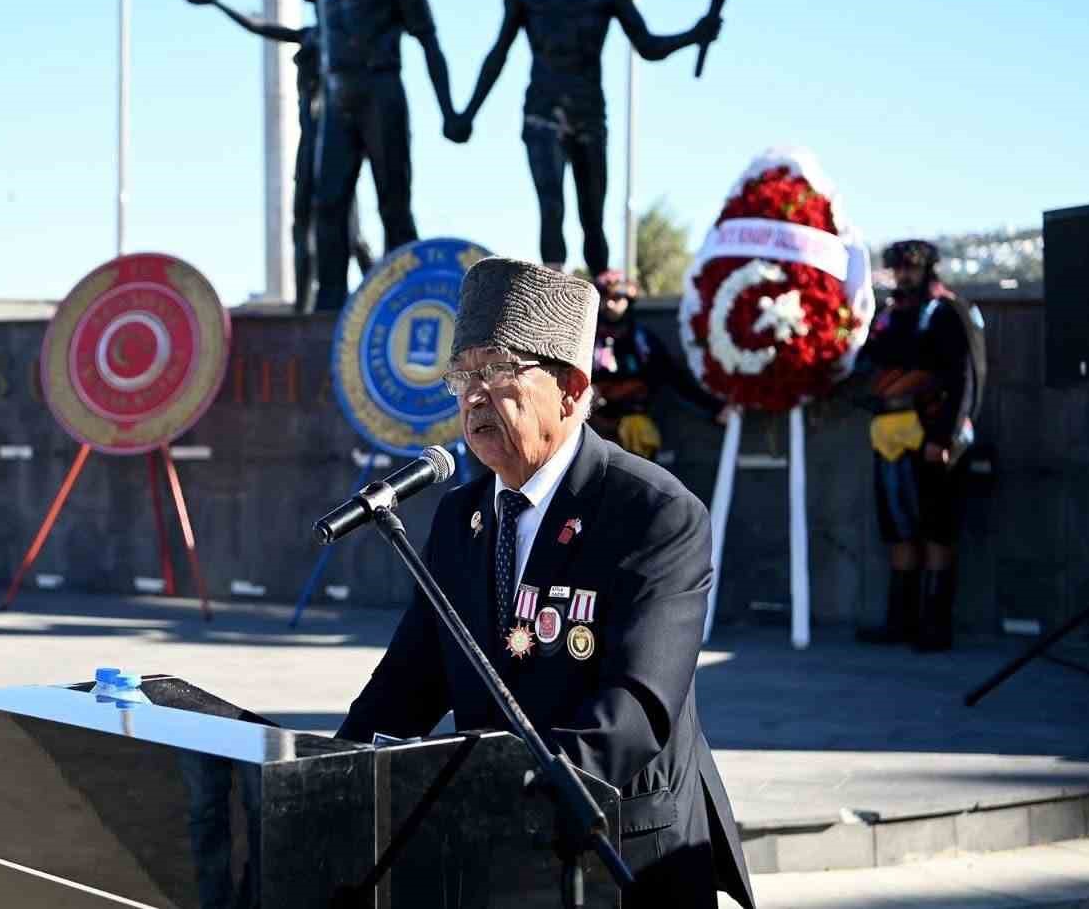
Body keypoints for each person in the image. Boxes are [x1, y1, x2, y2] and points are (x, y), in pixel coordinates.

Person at [336, 258, 754, 909]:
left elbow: (637, 704)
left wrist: (511, 797)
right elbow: (407, 682)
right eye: (462, 375)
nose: (473, 396)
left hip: (624, 851)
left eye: (498, 370)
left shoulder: (652, 512)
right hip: (496, 852)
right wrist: (328, 774)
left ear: (571, 388)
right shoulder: (461, 516)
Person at [447, 0, 720, 273]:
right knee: (551, 208)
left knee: (593, 216)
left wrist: (694, 34)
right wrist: (468, 113)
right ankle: (552, 288)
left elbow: (647, 45)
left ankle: (600, 298)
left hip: (589, 111)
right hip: (542, 110)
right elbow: (498, 54)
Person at [181, 0, 374, 312]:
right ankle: (302, 309)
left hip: (334, 140)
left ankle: (381, 295)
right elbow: (262, 26)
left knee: (350, 230)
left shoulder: (341, 36)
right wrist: (215, 2)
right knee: (302, 224)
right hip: (310, 139)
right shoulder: (311, 34)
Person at [310, 0, 460, 310]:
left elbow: (429, 42)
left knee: (393, 201)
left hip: (381, 92)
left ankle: (408, 298)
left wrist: (449, 111)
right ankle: (329, 304)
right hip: (337, 97)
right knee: (328, 201)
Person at [856, 240, 984, 652]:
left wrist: (944, 437)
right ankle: (900, 623)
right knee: (897, 529)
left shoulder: (947, 311)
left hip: (931, 436)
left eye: (910, 267)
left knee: (936, 530)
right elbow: (870, 363)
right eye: (898, 268)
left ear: (928, 268)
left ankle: (935, 626)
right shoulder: (890, 315)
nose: (903, 275)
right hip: (889, 436)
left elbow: (965, 377)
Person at [587, 269, 735, 459]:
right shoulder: (587, 339)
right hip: (591, 426)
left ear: (628, 300)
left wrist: (715, 408)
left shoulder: (643, 341)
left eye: (616, 298)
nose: (609, 304)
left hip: (634, 429)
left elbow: (675, 377)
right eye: (604, 298)